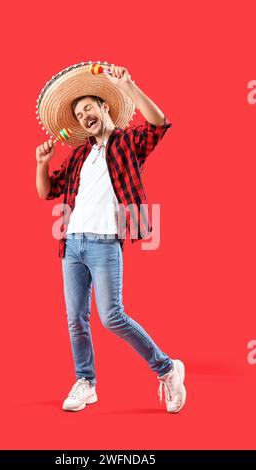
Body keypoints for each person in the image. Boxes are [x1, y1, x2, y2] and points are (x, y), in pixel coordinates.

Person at [36, 62, 186, 413]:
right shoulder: (79, 156)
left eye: (88, 106)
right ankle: (85, 382)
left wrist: (130, 86)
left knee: (111, 316)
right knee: (76, 318)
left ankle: (167, 369)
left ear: (104, 107)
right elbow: (46, 192)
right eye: (77, 112)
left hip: (104, 244)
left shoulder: (127, 143)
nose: (83, 113)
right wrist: (41, 163)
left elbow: (158, 123)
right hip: (72, 244)